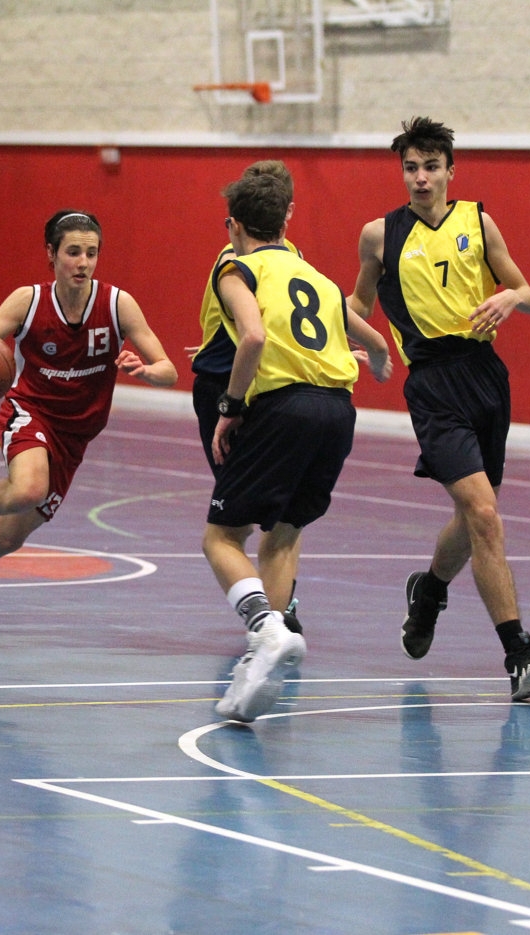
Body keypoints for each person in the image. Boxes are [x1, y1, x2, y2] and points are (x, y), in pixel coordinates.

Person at [347, 116, 530, 701]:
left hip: (486, 377)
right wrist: (335, 336)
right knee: (484, 513)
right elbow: (357, 304)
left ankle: (430, 591)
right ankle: (519, 652)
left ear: (450, 170)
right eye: (410, 168)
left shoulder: (478, 222)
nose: (420, 177)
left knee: (476, 516)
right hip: (433, 384)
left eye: (430, 166)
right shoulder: (380, 235)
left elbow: (529, 295)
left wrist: (509, 298)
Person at [0, 209, 178, 635]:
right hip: (30, 411)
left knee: (7, 538)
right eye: (73, 252)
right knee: (29, 488)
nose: (83, 262)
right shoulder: (27, 301)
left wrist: (147, 371)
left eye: (91, 253)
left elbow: (169, 370)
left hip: (74, 436)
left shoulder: (118, 304)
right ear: (51, 254)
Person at [204, 172, 392, 722]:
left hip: (283, 407)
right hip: (338, 412)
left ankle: (265, 629)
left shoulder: (236, 268)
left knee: (221, 537)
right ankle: (259, 666)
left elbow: (253, 335)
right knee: (283, 534)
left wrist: (230, 407)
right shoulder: (315, 275)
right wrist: (379, 359)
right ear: (285, 224)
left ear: (235, 226)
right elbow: (371, 337)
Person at [190, 160, 305, 630]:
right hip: (225, 387)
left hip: (264, 389)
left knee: (282, 515)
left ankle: (276, 609)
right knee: (242, 517)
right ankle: (269, 613)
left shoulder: (290, 256)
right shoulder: (234, 260)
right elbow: (238, 330)